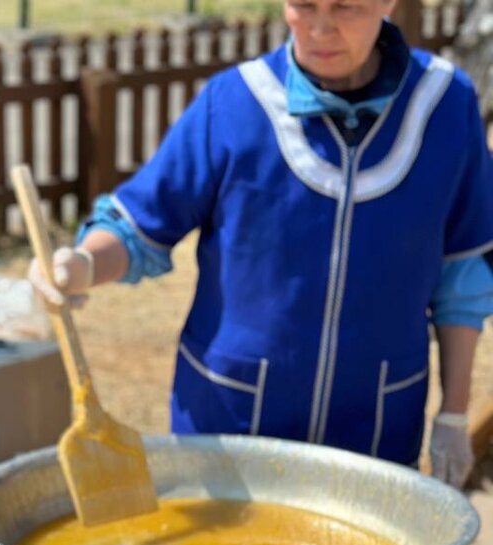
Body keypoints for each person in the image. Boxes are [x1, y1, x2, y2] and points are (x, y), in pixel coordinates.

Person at [32, 0, 493, 488]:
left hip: (375, 429)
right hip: (228, 428)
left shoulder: (445, 107)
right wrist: (81, 264)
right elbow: (139, 227)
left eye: (346, 8)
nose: (320, 27)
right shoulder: (234, 104)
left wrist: (453, 416)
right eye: (303, 5)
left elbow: (462, 278)